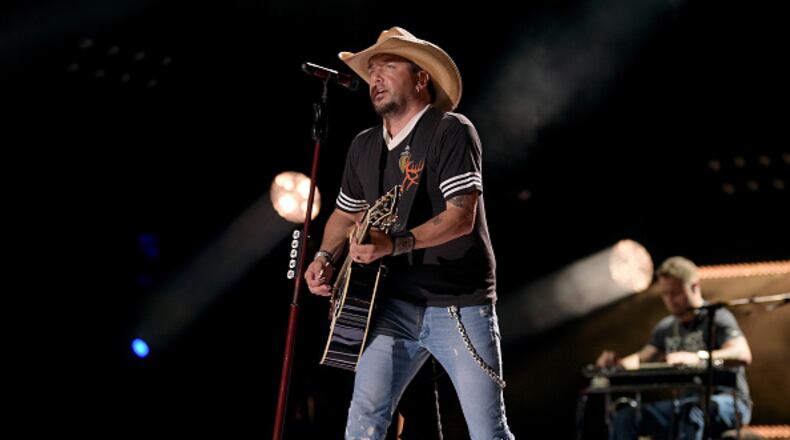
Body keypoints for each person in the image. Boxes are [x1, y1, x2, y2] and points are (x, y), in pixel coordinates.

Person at [304, 27, 515, 439]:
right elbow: (344, 216)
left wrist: (395, 243)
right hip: (392, 304)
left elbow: (461, 217)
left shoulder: (451, 130)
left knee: (488, 430)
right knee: (363, 421)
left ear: (421, 79)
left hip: (457, 303)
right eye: (373, 71)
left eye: (389, 67)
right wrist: (323, 258)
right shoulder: (363, 146)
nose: (376, 78)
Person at [595, 256, 753, 440]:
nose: (670, 300)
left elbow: (742, 354)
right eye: (665, 294)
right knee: (626, 418)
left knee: (690, 412)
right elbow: (642, 358)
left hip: (729, 402)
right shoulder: (666, 327)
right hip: (685, 404)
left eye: (675, 293)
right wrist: (615, 364)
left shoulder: (717, 317)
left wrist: (697, 358)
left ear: (694, 286)